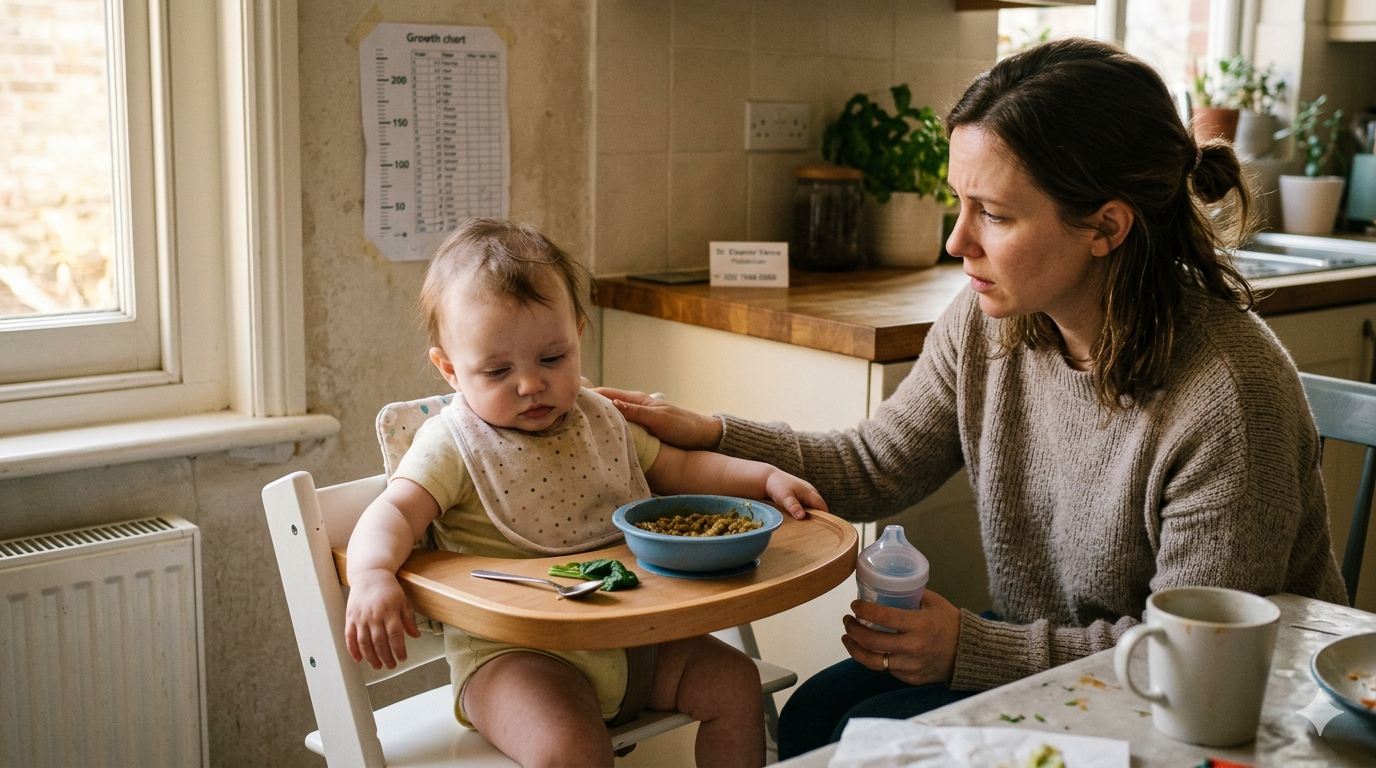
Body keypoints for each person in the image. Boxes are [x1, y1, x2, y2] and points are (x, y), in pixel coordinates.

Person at [598, 38, 1348, 760]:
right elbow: (873, 465)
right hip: (1053, 644)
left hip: (1219, 707)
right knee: (817, 717)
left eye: (993, 213)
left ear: (1105, 227)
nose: (958, 243)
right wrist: (711, 432)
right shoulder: (993, 320)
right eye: (958, 204)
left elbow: (1193, 659)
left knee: (856, 738)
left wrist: (972, 648)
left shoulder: (1227, 396)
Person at [343, 218, 827, 768]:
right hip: (516, 658)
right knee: (569, 749)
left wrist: (761, 477)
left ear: (577, 333)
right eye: (498, 370)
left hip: (633, 635)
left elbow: (683, 467)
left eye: (553, 358)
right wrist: (373, 575)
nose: (531, 384)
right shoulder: (453, 444)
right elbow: (393, 514)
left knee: (737, 685)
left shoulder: (597, 418)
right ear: (451, 369)